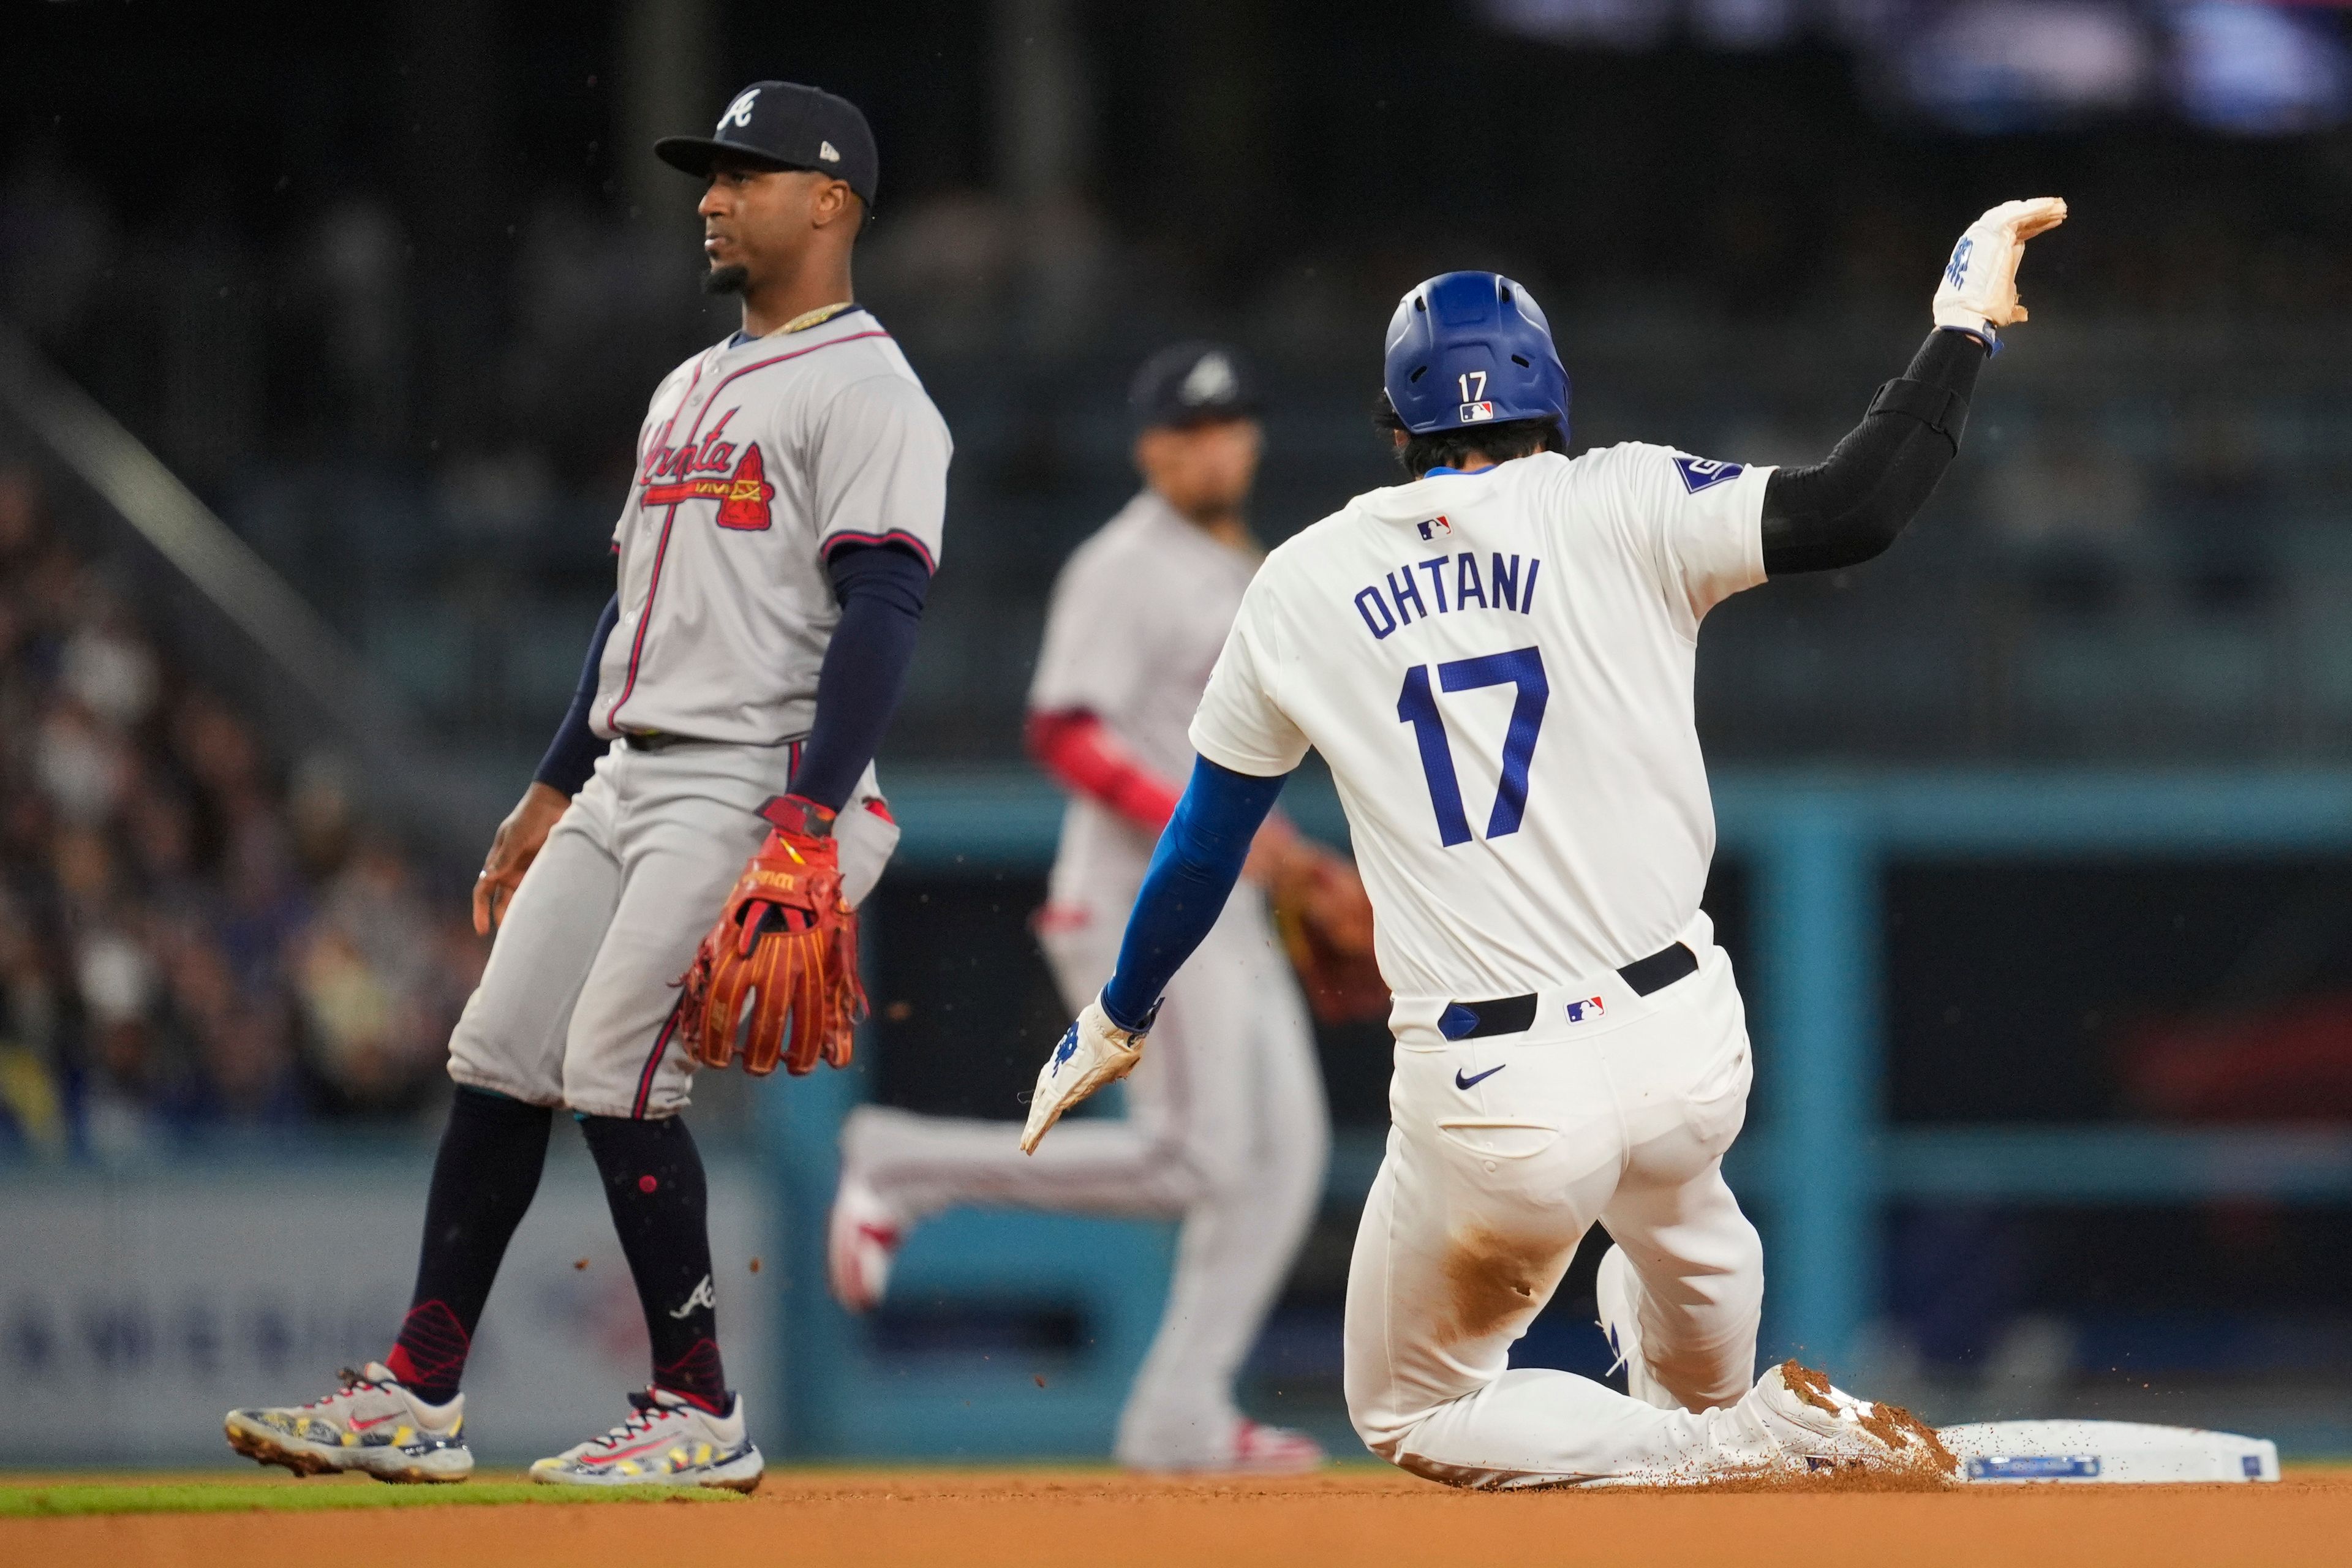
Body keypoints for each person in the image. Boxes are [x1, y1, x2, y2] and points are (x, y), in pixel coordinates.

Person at [1019, 200, 2068, 1487]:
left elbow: (1200, 840)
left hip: (1500, 1088)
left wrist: (1119, 1012)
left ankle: (1727, 1437)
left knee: (1411, 1406)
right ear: (1550, 399)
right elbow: (1858, 506)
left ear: (1397, 426)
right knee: (1685, 1227)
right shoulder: (1624, 496)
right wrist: (1960, 326)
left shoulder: (1298, 579)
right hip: (1688, 1047)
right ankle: (1728, 1415)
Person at [224, 80, 951, 1490]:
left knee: (616, 1063)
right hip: (629, 769)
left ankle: (701, 1409)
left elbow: (883, 614)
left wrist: (807, 817)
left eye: (744, 172)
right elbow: (627, 610)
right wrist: (553, 783)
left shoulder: (872, 392)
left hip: (750, 776)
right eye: (710, 173)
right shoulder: (685, 386)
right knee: (499, 1050)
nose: (710, 195)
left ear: (833, 200)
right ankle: (418, 1393)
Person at [829, 344, 1370, 1473]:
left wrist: (1290, 851)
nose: (1213, 445)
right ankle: (900, 1160)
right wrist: (1209, 827)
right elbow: (1065, 731)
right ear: (1150, 448)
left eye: (1230, 425)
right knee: (1193, 1163)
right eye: (1189, 429)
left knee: (1286, 1159)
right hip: (1133, 899)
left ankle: (1179, 1409)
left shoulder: (1241, 567)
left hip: (1221, 897)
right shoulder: (1123, 562)